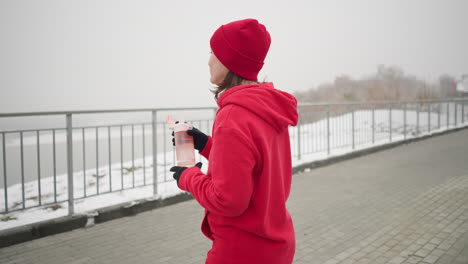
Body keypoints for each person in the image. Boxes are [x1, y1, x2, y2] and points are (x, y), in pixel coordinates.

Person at [170, 18, 298, 264]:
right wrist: (207, 144)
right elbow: (254, 165)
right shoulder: (268, 107)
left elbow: (228, 201)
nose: (208, 60)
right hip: (275, 246)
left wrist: (187, 175)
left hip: (242, 251)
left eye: (212, 52)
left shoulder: (232, 115)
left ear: (230, 60)